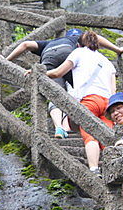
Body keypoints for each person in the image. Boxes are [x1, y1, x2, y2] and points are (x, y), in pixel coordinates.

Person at [8, 29, 123, 138]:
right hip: (67, 54)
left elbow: (25, 44)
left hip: (49, 59)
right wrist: (117, 49)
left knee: (54, 94)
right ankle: (76, 123)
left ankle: (59, 127)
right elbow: (96, 37)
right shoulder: (76, 40)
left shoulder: (48, 42)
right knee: (78, 91)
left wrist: (6, 60)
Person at [45, 30, 116, 172]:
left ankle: (95, 170)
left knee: (90, 137)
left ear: (78, 44)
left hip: (89, 101)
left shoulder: (78, 53)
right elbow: (113, 90)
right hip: (107, 103)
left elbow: (58, 73)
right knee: (108, 138)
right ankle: (115, 171)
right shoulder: (107, 62)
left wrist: (40, 72)